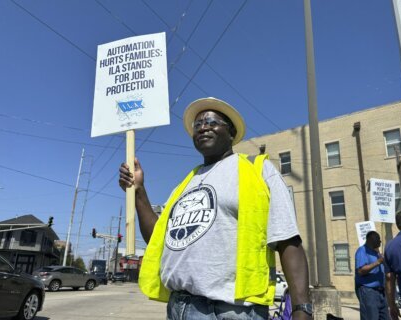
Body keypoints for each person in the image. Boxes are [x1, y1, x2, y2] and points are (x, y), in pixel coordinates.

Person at [119, 97, 312, 320]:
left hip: (231, 310)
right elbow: (158, 240)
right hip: (178, 306)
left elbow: (288, 240)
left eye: (212, 121)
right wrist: (139, 192)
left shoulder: (257, 170)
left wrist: (302, 308)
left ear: (231, 132)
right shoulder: (184, 184)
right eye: (198, 124)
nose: (203, 127)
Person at [354, 231, 388, 320]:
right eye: (378, 239)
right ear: (370, 240)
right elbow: (361, 270)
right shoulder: (362, 250)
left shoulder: (376, 253)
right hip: (368, 291)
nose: (380, 242)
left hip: (381, 291)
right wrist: (378, 262)